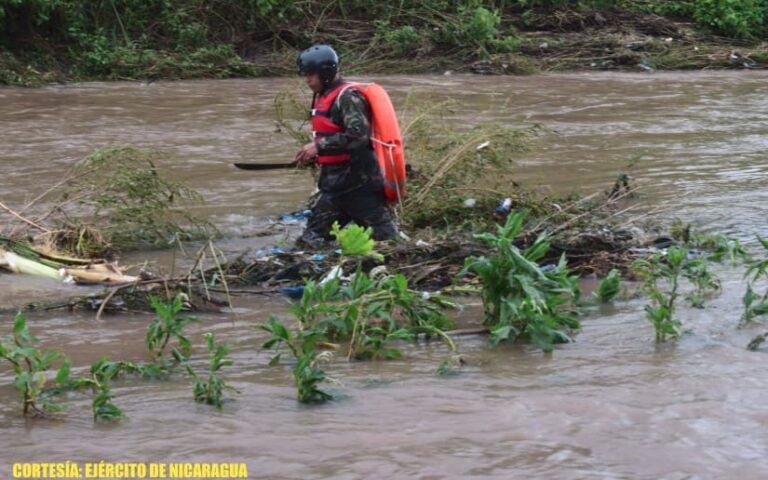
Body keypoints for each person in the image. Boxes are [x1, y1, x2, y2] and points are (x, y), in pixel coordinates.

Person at [295, 44, 397, 247]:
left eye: (311, 75)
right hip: (335, 186)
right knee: (310, 240)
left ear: (325, 72)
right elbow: (333, 134)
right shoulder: (323, 96)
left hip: (360, 185)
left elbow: (359, 135)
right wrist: (317, 155)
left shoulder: (348, 97)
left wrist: (319, 146)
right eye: (305, 75)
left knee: (388, 241)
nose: (307, 80)